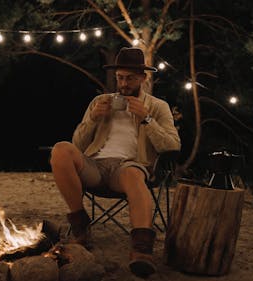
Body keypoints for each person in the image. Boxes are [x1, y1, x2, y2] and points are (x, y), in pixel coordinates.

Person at [49, 47, 181, 278]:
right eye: (120, 77)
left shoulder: (157, 107)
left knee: (132, 174)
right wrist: (92, 118)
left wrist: (146, 119)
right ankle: (81, 227)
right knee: (61, 149)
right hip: (96, 167)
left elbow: (172, 146)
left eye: (130, 78)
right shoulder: (101, 102)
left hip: (129, 166)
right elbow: (77, 143)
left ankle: (141, 250)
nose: (123, 83)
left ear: (142, 78)